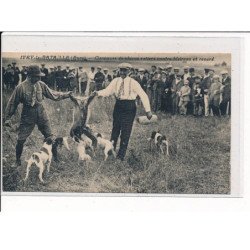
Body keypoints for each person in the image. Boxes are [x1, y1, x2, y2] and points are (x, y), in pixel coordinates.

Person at [4, 65, 72, 167]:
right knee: (21, 139)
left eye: (39, 76)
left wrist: (67, 94)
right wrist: (7, 118)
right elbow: (12, 103)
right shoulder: (20, 87)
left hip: (41, 113)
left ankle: (56, 159)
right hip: (27, 115)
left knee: (50, 137)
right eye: (37, 76)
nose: (39, 78)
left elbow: (53, 94)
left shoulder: (41, 85)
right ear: (30, 76)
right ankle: (17, 161)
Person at [95, 63, 152, 161]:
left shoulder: (133, 82)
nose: (122, 72)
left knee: (125, 131)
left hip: (129, 107)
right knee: (115, 130)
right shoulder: (115, 81)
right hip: (118, 105)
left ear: (129, 71)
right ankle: (110, 152)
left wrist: (148, 111)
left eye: (124, 70)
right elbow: (107, 91)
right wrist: (97, 93)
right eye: (120, 70)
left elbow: (143, 95)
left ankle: (120, 156)